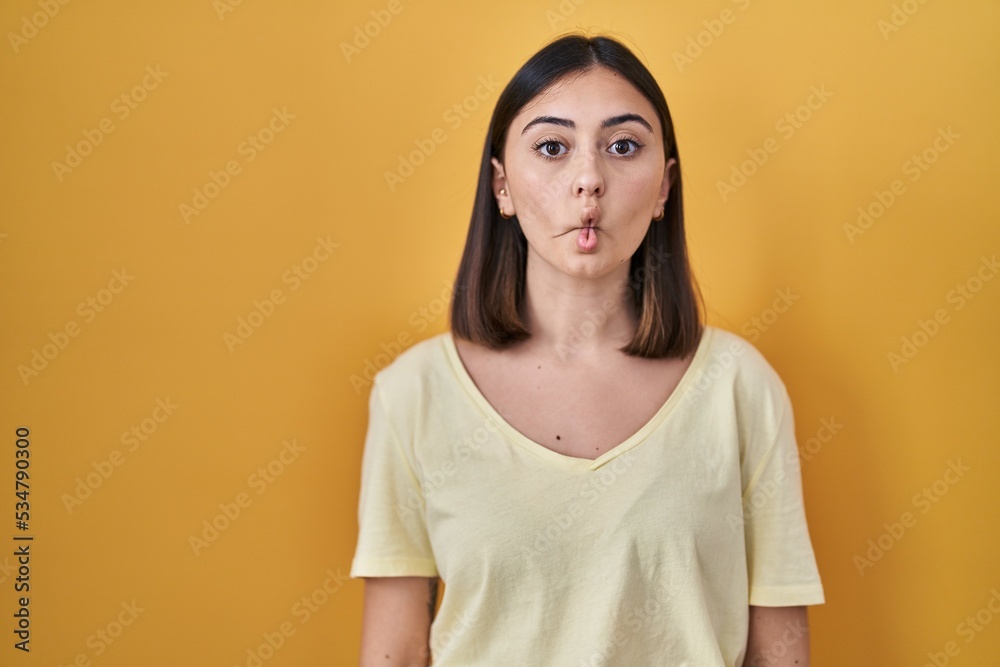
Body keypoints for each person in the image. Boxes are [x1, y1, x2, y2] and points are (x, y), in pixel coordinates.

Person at [350, 32, 824, 666]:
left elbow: (779, 651)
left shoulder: (740, 388)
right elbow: (397, 652)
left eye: (623, 146)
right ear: (501, 186)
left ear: (664, 186)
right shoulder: (413, 395)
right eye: (552, 147)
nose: (589, 180)